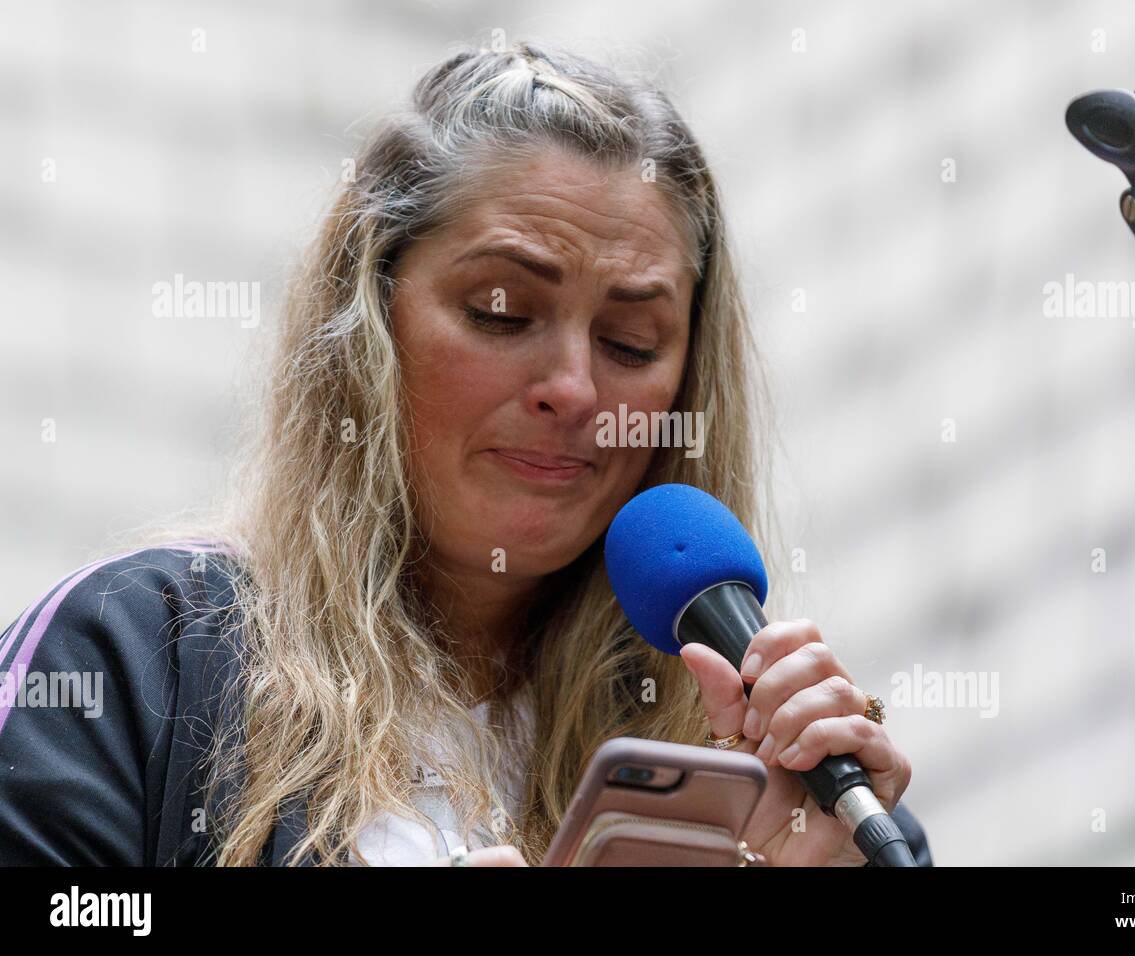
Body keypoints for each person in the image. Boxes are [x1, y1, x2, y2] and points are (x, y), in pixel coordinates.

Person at [0, 41, 929, 867]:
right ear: (365, 319)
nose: (574, 388)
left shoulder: (804, 783)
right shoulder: (128, 653)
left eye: (632, 343)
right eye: (501, 312)